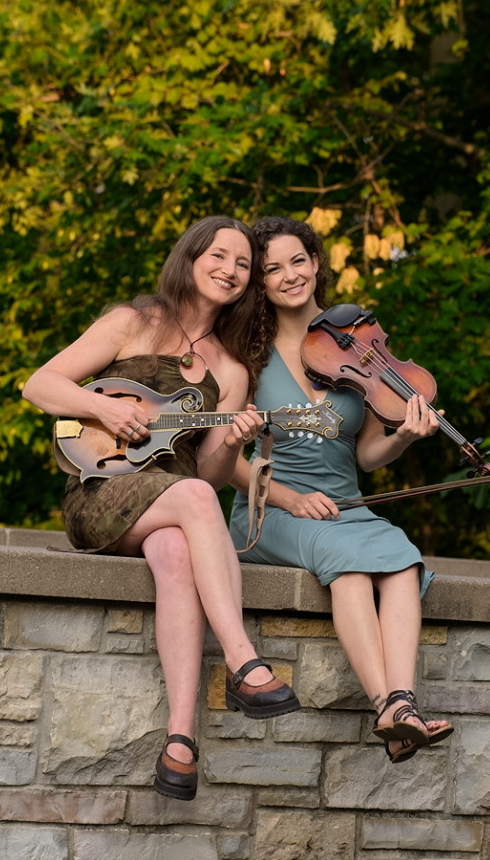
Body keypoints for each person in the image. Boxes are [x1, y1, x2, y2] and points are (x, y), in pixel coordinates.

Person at [23, 216, 300, 802]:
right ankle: (244, 662)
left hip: (172, 503)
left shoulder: (231, 370)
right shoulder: (133, 322)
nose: (230, 270)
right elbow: (40, 385)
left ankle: (180, 740)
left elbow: (209, 477)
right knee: (194, 502)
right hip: (102, 491)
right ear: (191, 258)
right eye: (219, 256)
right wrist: (106, 413)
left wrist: (231, 440)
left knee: (176, 551)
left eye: (243, 264)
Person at [229, 215, 452, 764]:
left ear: (316, 264)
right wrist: (287, 497)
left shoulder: (358, 348)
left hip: (345, 507)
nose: (288, 276)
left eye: (297, 261)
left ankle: (399, 707)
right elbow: (223, 459)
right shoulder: (246, 354)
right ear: (259, 282)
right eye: (271, 269)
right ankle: (390, 708)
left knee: (402, 560)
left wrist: (405, 436)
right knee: (348, 567)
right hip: (270, 509)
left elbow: (369, 455)